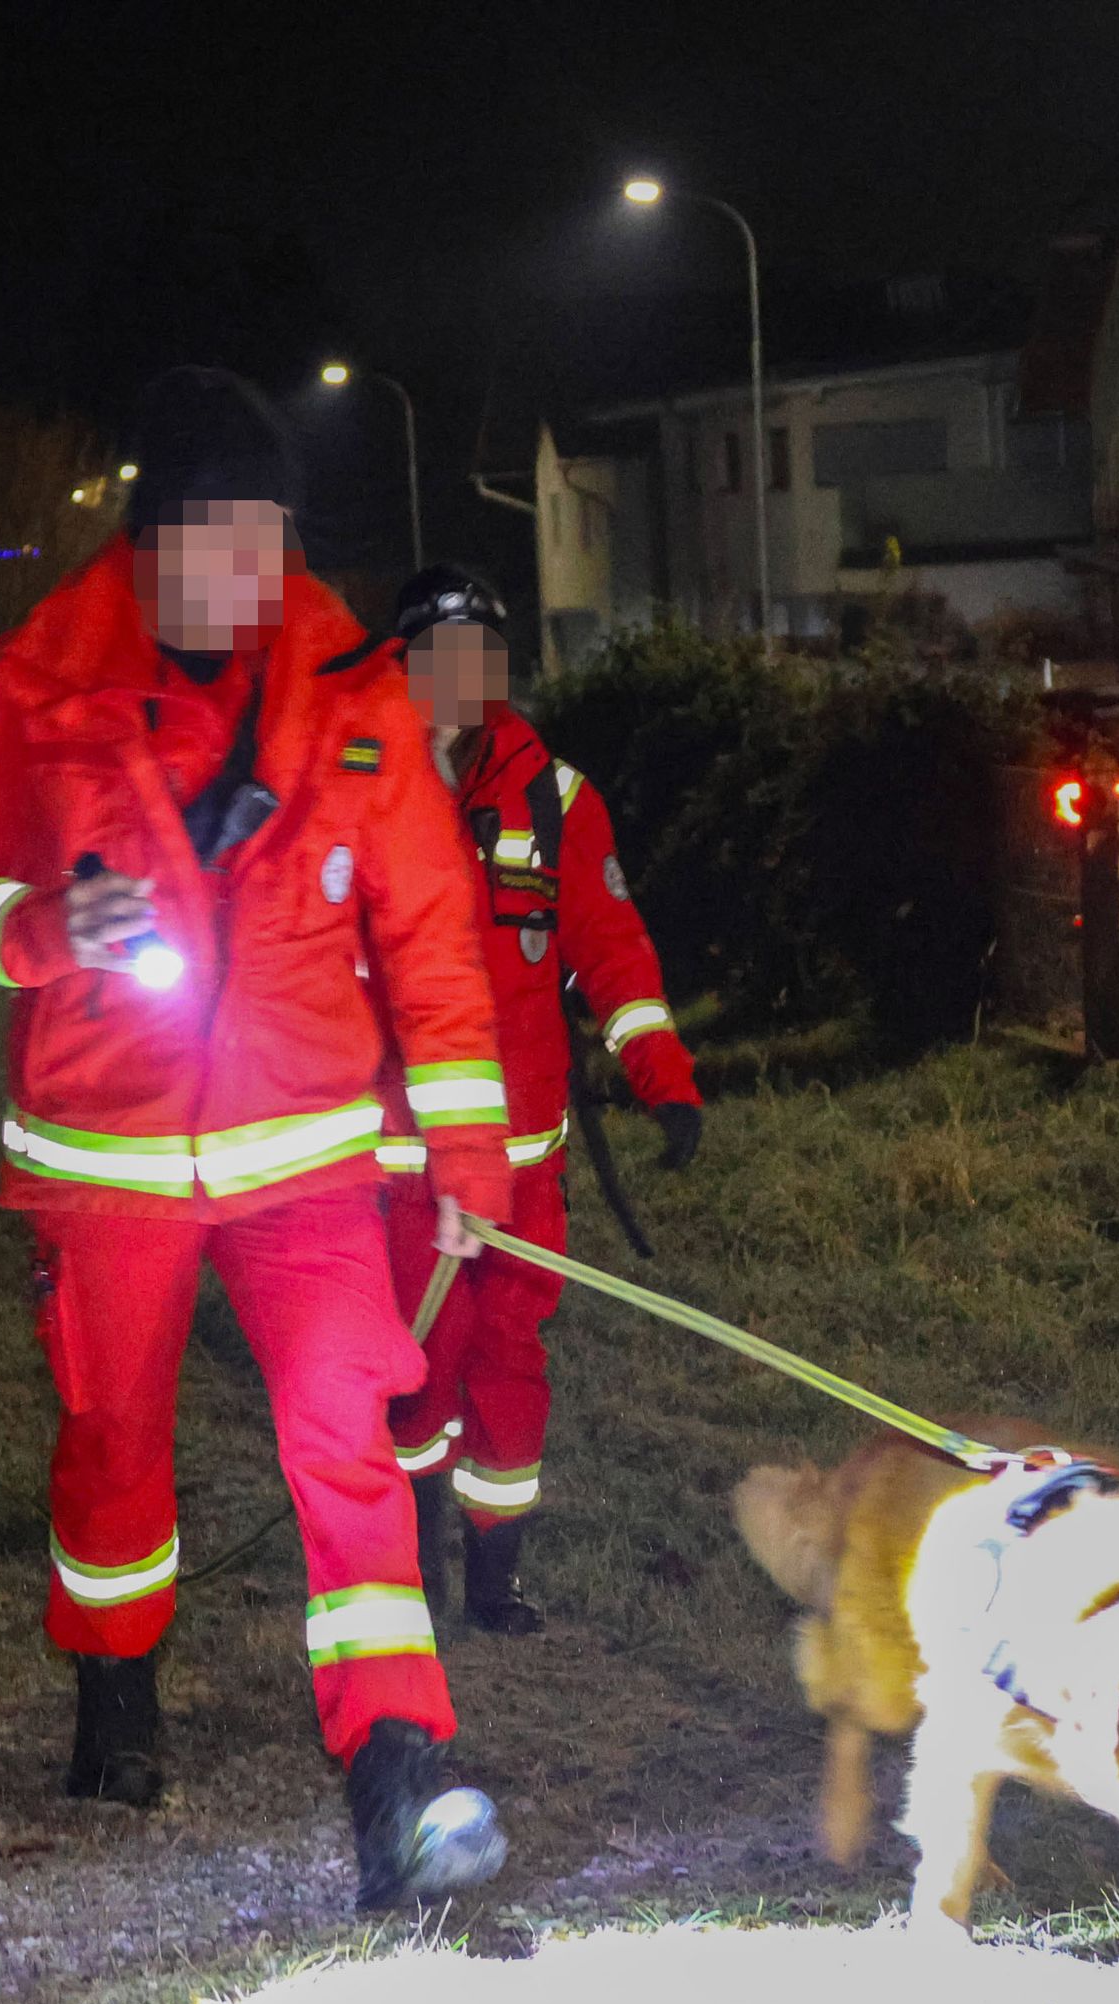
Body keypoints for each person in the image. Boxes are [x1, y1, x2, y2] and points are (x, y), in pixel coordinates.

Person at [0, 369, 520, 1910]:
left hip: (308, 1163)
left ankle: (397, 1771)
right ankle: (114, 1687)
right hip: (107, 1160)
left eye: (275, 538)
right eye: (218, 539)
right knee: (115, 1449)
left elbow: (434, 936)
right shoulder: (33, 684)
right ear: (148, 539)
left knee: (347, 1443)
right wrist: (37, 928)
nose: (253, 574)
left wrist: (468, 1167)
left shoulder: (358, 688)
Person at [372, 565, 703, 1634]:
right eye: (440, 654)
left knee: (511, 1363)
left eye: (482, 654)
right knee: (418, 1370)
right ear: (405, 663)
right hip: (404, 1158)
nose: (462, 676)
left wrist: (666, 1082)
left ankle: (492, 1577)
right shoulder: (365, 784)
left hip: (523, 1164)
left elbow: (611, 951)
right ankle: (409, 1564)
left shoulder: (555, 799)